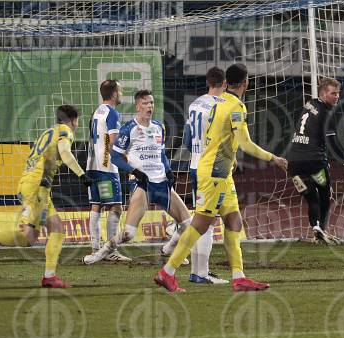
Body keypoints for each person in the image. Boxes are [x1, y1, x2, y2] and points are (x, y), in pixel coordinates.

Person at [154, 63, 288, 292]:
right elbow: (245, 143)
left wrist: (230, 157)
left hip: (221, 171)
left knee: (234, 221)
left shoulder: (219, 101)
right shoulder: (236, 106)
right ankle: (168, 272)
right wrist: (272, 157)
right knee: (201, 223)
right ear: (246, 82)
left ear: (228, 82)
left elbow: (212, 134)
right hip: (214, 172)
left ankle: (239, 277)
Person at [83, 90, 193, 264]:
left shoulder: (159, 127)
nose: (149, 106)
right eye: (145, 103)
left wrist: (168, 169)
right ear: (137, 106)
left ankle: (168, 249)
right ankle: (101, 252)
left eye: (151, 103)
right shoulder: (128, 129)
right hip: (143, 185)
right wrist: (134, 172)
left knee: (188, 223)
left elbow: (161, 153)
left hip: (162, 183)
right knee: (128, 233)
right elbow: (115, 156)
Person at [0, 105, 92, 287]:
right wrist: (82, 175)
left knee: (57, 228)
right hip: (36, 187)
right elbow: (65, 153)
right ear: (73, 120)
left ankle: (49, 276)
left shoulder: (48, 131)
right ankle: (49, 276)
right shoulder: (66, 131)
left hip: (37, 186)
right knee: (28, 237)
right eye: (77, 121)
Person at [287, 77, 344, 244]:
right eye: (333, 93)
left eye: (338, 93)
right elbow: (332, 143)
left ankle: (316, 228)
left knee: (312, 198)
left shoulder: (309, 104)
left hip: (294, 164)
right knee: (324, 195)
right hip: (315, 164)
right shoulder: (326, 114)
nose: (337, 97)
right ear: (323, 93)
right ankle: (322, 231)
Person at [177, 66, 228, 284]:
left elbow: (187, 138)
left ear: (208, 82)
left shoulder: (196, 103)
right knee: (208, 222)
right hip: (211, 168)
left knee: (201, 219)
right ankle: (201, 272)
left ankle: (198, 271)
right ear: (224, 84)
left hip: (195, 165)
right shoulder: (222, 105)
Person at [85, 80, 131, 263]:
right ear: (113, 93)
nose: (121, 93)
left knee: (96, 206)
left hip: (92, 166)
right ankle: (111, 250)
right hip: (106, 168)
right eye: (120, 90)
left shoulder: (97, 111)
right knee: (116, 207)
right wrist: (128, 158)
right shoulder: (112, 113)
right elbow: (113, 142)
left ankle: (95, 247)